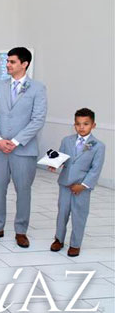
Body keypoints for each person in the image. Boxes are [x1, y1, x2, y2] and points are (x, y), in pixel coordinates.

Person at [0, 47, 47, 248]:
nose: (8, 65)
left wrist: (17, 141)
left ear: (24, 64)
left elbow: (38, 119)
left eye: (12, 62)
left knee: (23, 190)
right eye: (7, 61)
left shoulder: (37, 88)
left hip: (24, 150)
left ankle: (21, 231)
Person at [49, 108, 105, 257]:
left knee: (79, 215)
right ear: (74, 124)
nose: (81, 127)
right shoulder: (67, 141)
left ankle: (75, 244)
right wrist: (55, 163)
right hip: (65, 184)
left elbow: (95, 169)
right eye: (78, 124)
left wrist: (83, 185)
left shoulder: (98, 146)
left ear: (93, 125)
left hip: (81, 187)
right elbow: (62, 158)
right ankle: (58, 239)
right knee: (62, 214)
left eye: (85, 124)